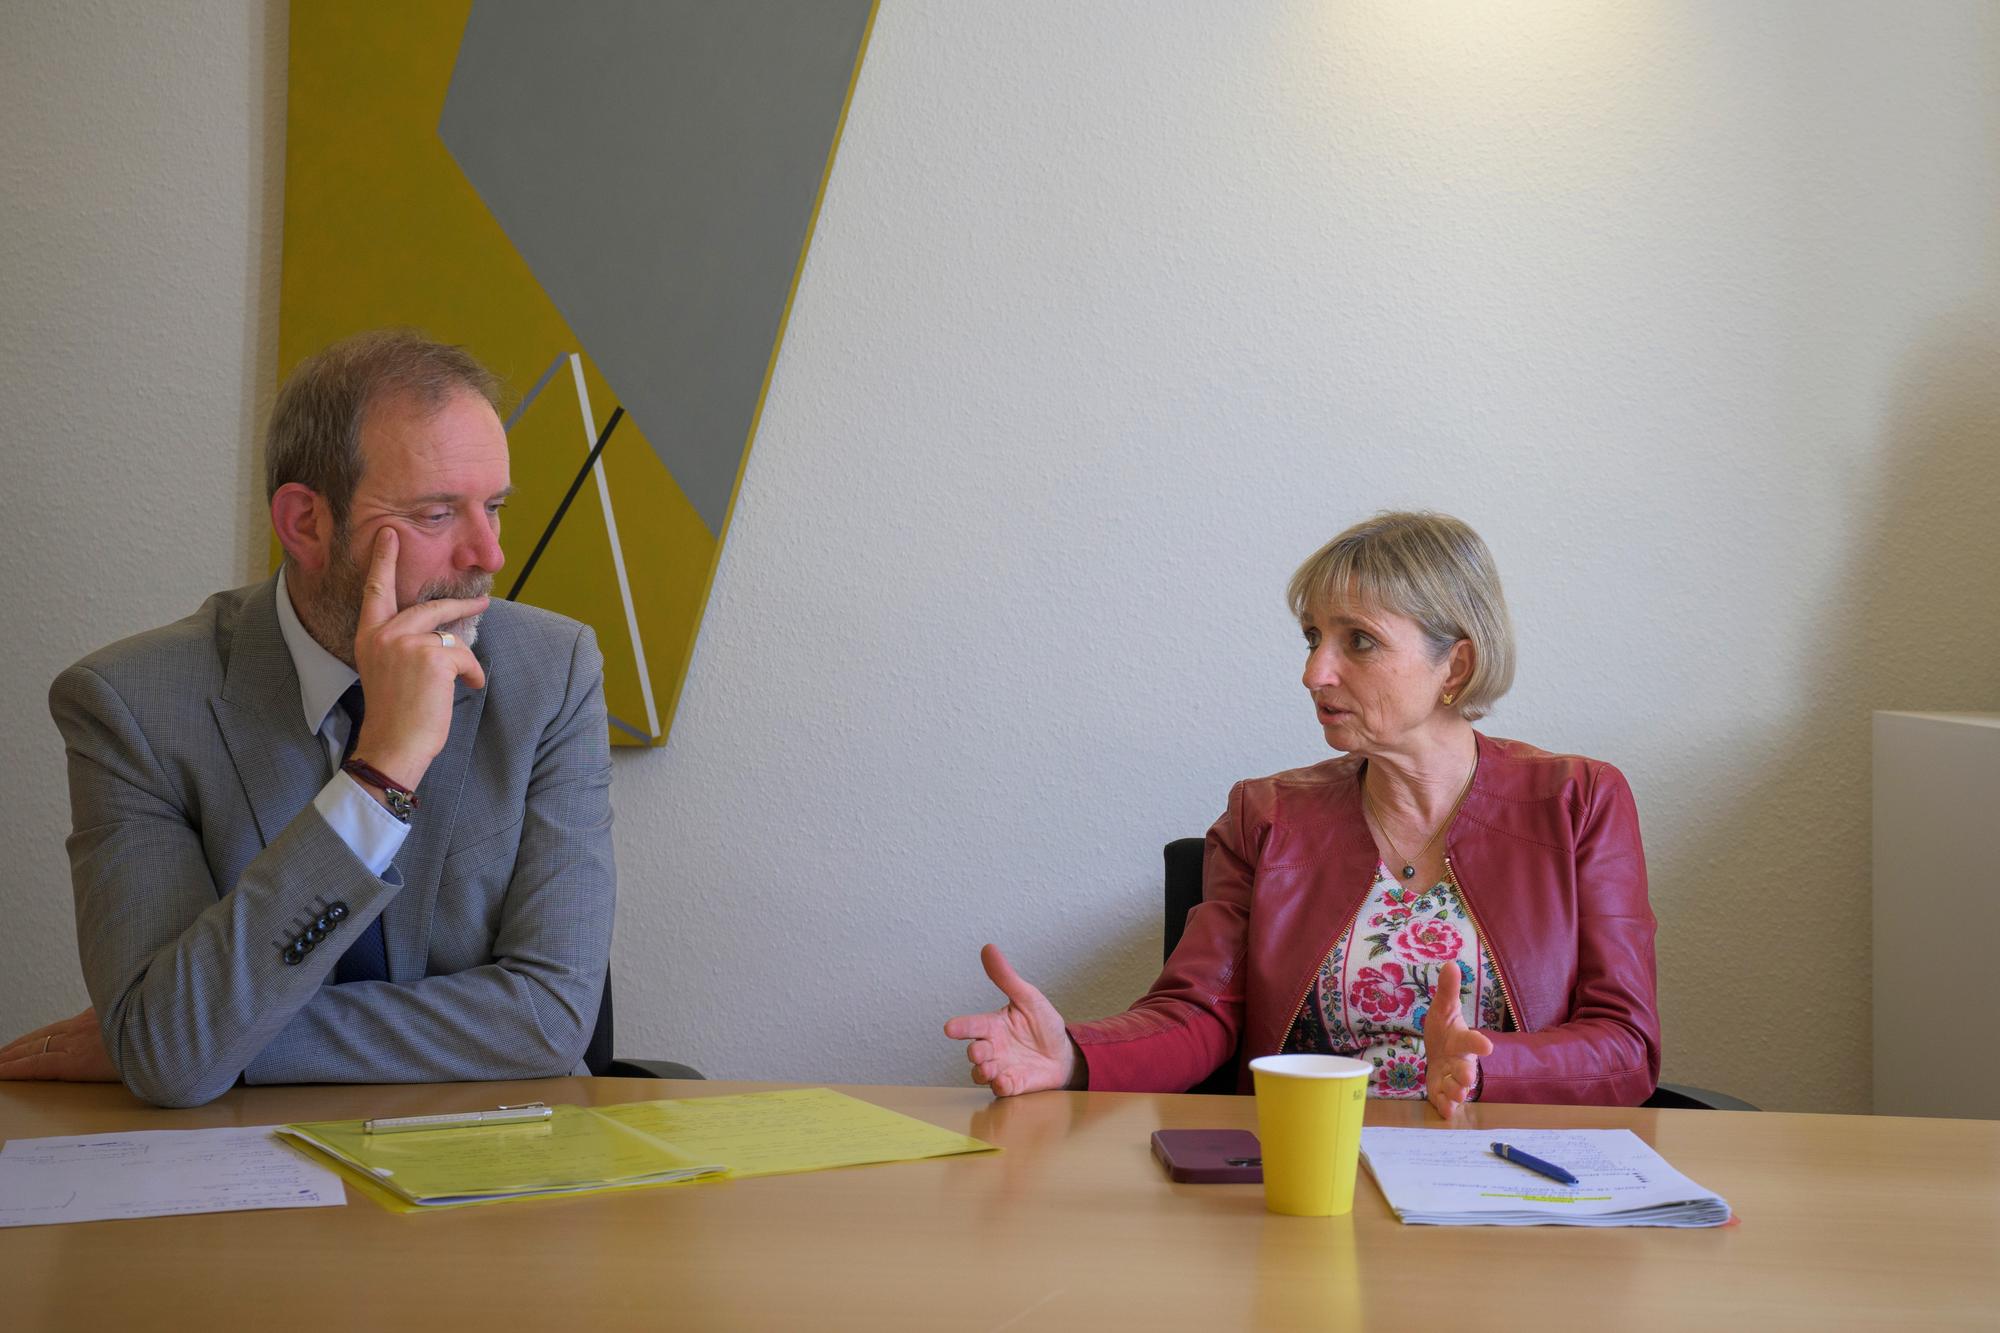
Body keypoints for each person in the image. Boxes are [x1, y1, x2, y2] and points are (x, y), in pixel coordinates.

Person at [0, 330, 615, 1107]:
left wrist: (201, 1035)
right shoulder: (130, 707)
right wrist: (379, 775)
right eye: (436, 514)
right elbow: (171, 1057)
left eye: (493, 507)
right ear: (305, 524)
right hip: (232, 1178)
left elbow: (552, 1020)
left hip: (496, 1166)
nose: (487, 553)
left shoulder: (552, 674)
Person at [945, 511, 1659, 1119]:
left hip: (1500, 1175)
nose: (1315, 672)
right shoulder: (1268, 814)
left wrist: (1489, 1065)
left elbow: (1627, 1044)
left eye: (1359, 640)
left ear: (1457, 667)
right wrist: (1075, 1053)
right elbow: (1203, 1011)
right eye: (1312, 637)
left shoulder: (1578, 802)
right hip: (1300, 1171)